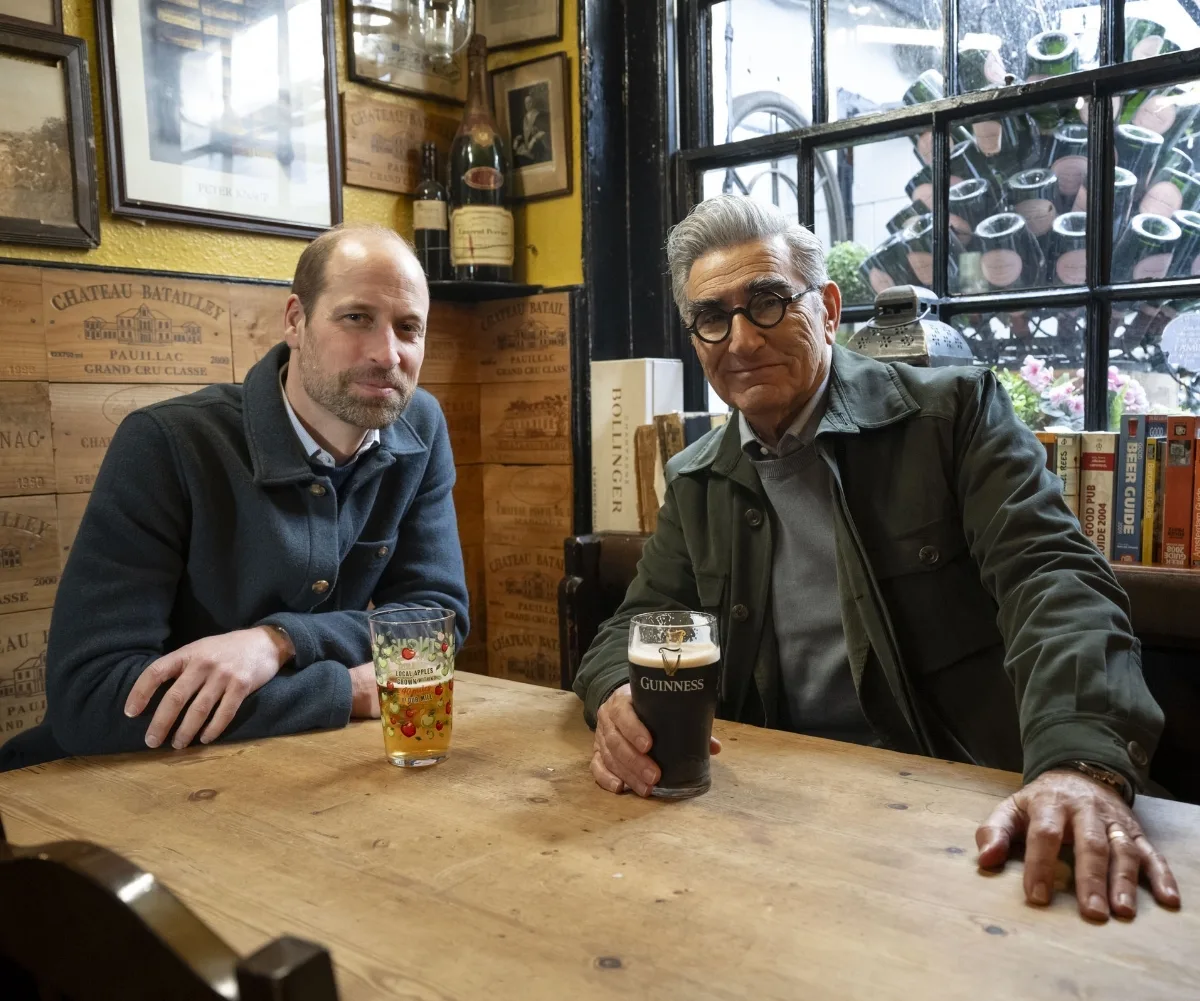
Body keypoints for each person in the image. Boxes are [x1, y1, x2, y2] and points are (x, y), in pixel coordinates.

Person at [574, 195, 1180, 922]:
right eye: (712, 317)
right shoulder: (697, 477)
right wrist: (618, 695)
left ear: (829, 308)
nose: (741, 339)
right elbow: (631, 626)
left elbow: (1054, 579)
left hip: (965, 808)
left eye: (768, 302)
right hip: (772, 813)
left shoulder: (954, 414)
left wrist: (1078, 762)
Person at [1, 223, 468, 769]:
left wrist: (277, 642)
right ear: (295, 321)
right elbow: (92, 699)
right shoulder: (165, 443)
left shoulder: (420, 425)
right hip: (97, 783)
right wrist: (344, 690)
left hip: (291, 771)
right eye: (356, 318)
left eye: (408, 328)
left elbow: (436, 620)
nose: (387, 354)